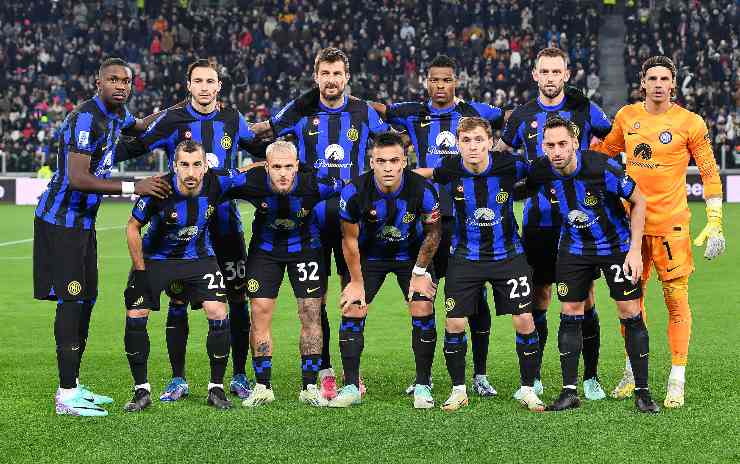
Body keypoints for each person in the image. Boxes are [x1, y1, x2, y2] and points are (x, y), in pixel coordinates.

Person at [33, 57, 172, 417]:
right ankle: (65, 395)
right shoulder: (85, 118)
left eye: (126, 81)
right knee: (71, 301)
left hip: (82, 225)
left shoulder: (118, 116)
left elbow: (138, 126)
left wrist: (177, 110)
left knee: (88, 300)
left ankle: (74, 385)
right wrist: (134, 186)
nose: (121, 86)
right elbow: (78, 178)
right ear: (99, 83)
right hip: (60, 223)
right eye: (113, 79)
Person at [252, 47, 389, 400]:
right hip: (311, 222)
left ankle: (351, 373)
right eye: (325, 74)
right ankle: (325, 370)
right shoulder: (301, 112)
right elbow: (264, 135)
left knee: (352, 293)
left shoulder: (363, 112)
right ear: (316, 78)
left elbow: (392, 144)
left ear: (347, 77)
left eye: (337, 73)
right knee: (317, 300)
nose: (331, 80)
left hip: (353, 221)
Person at [592, 56, 725, 408]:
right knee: (630, 303)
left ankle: (676, 378)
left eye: (664, 78)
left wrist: (715, 222)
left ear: (673, 84)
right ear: (642, 83)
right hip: (630, 227)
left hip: (672, 226)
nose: (658, 83)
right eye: (652, 77)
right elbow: (606, 155)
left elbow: (710, 173)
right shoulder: (626, 117)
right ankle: (632, 371)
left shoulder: (690, 122)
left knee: (676, 301)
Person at [370, 54, 502, 397]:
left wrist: (465, 104)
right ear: (426, 82)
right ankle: (423, 376)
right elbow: (382, 109)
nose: (440, 85)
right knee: (423, 295)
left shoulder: (471, 114)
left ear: (456, 81)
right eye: (434, 80)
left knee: (477, 299)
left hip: (466, 219)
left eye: (446, 80)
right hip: (426, 222)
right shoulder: (413, 113)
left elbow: (501, 117)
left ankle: (480, 374)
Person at [132, 59, 258, 401]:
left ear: (219, 86)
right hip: (183, 231)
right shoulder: (173, 119)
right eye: (198, 81)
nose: (204, 87)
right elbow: (138, 144)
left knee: (235, 298)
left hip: (226, 226)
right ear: (189, 85)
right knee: (177, 299)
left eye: (210, 81)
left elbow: (258, 148)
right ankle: (177, 379)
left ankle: (240, 374)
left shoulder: (233, 119)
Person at [495, 47, 613, 400]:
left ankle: (590, 377)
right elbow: (501, 154)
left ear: (566, 74)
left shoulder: (584, 108)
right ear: (534, 75)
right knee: (540, 296)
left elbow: (611, 138)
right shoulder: (522, 115)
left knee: (586, 298)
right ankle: (537, 377)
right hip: (540, 222)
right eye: (543, 71)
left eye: (555, 71)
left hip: (581, 223)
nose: (549, 77)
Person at [526, 116, 659, 413]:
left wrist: (635, 250)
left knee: (630, 312)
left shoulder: (602, 167)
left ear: (575, 143)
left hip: (615, 247)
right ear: (542, 146)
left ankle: (643, 392)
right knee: (570, 311)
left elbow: (640, 200)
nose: (557, 150)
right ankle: (569, 392)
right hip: (573, 249)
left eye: (562, 144)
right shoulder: (540, 170)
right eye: (550, 145)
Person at [416, 117, 545, 412]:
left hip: (508, 255)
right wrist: (392, 173)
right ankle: (458, 389)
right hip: (465, 257)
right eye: (466, 141)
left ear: (489, 141)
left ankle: (527, 389)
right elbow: (426, 174)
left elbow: (542, 170)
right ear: (458, 144)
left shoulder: (510, 164)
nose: (473, 146)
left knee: (524, 319)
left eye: (478, 140)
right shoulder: (450, 168)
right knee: (454, 322)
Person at [123, 140, 253, 412]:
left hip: (199, 257)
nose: (191, 172)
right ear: (175, 166)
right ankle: (141, 390)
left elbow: (248, 171)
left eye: (196, 165)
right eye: (184, 165)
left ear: (206, 166)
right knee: (136, 315)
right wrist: (140, 271)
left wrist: (270, 162)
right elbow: (132, 228)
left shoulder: (217, 182)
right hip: (156, 259)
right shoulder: (158, 189)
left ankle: (215, 388)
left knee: (219, 311)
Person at [332, 132, 441, 408]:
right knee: (353, 306)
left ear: (405, 161)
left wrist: (419, 273)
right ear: (372, 162)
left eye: (394, 160)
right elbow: (349, 240)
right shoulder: (354, 192)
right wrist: (356, 281)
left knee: (422, 305)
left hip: (411, 256)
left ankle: (423, 384)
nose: (388, 167)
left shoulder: (423, 189)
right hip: (370, 257)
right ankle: (351, 386)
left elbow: (433, 234)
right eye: (381, 161)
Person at [237, 141, 344, 407]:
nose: (282, 173)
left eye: (288, 166)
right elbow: (214, 184)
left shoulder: (314, 184)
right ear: (266, 167)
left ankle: (309, 386)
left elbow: (346, 187)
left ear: (297, 166)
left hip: (306, 250)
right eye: (276, 167)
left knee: (311, 313)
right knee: (259, 313)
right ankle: (263, 386)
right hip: (265, 252)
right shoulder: (252, 182)